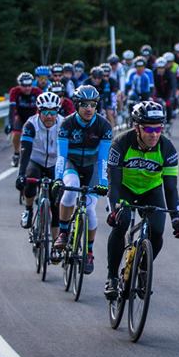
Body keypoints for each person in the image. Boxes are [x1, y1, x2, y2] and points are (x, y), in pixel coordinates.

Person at [103, 101, 179, 300]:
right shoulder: (121, 143)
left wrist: (177, 217)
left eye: (158, 128)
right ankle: (112, 277)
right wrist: (113, 209)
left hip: (151, 190)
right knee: (121, 224)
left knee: (157, 231)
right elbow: (113, 182)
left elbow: (171, 188)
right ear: (137, 127)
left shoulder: (167, 148)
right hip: (125, 188)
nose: (154, 134)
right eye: (148, 128)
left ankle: (142, 269)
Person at [52, 85, 112, 273]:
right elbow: (61, 156)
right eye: (84, 104)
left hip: (93, 166)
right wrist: (57, 178)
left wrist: (103, 183)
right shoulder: (67, 124)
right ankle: (63, 232)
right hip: (72, 164)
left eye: (93, 104)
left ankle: (89, 251)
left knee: (90, 210)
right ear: (77, 105)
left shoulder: (103, 126)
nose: (89, 108)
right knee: (70, 192)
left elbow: (103, 159)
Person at [16, 91, 63, 237]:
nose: (49, 116)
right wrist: (21, 174)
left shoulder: (64, 124)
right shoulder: (31, 125)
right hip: (35, 160)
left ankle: (55, 245)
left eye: (53, 112)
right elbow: (25, 150)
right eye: (45, 112)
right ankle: (28, 210)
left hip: (55, 163)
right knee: (30, 181)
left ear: (57, 111)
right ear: (39, 111)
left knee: (56, 204)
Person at [7, 72, 40, 167]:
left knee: (36, 135)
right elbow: (12, 109)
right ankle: (16, 153)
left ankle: (35, 154)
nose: (27, 88)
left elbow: (40, 109)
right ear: (19, 85)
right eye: (24, 86)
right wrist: (10, 123)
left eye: (29, 85)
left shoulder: (37, 92)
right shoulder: (14, 91)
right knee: (16, 133)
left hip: (33, 115)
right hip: (20, 116)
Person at [151, 57, 178, 121]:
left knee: (168, 104)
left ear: (165, 67)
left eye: (162, 68)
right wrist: (152, 96)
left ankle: (168, 121)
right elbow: (152, 86)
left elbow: (173, 86)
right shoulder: (153, 74)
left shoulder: (170, 74)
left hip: (167, 93)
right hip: (158, 93)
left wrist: (171, 97)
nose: (161, 70)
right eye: (159, 68)